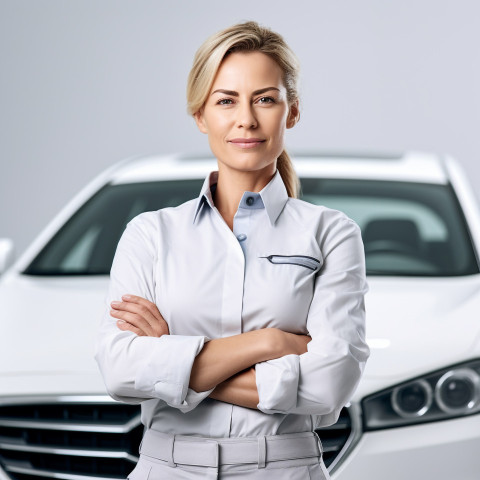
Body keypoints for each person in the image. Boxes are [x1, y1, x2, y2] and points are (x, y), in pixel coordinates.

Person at [95, 20, 370, 480]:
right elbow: (120, 371)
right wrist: (270, 343)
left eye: (265, 98)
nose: (246, 118)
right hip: (165, 468)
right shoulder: (149, 234)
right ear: (201, 115)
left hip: (282, 469)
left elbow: (329, 386)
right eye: (226, 101)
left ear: (292, 110)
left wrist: (169, 357)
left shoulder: (332, 233)